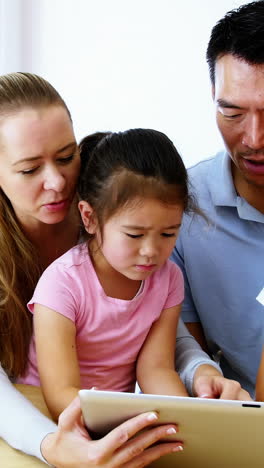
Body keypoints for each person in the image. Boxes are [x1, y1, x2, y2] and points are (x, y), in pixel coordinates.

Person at [0, 72, 249, 466]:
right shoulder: (67, 277)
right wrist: (51, 444)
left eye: (67, 157)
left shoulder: (118, 214)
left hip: (105, 416)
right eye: (30, 169)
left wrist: (198, 388)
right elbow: (43, 395)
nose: (58, 181)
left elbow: (154, 341)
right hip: (29, 420)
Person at [171, 0, 264, 399]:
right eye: (232, 113)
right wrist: (200, 372)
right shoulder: (183, 209)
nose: (254, 139)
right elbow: (183, 348)